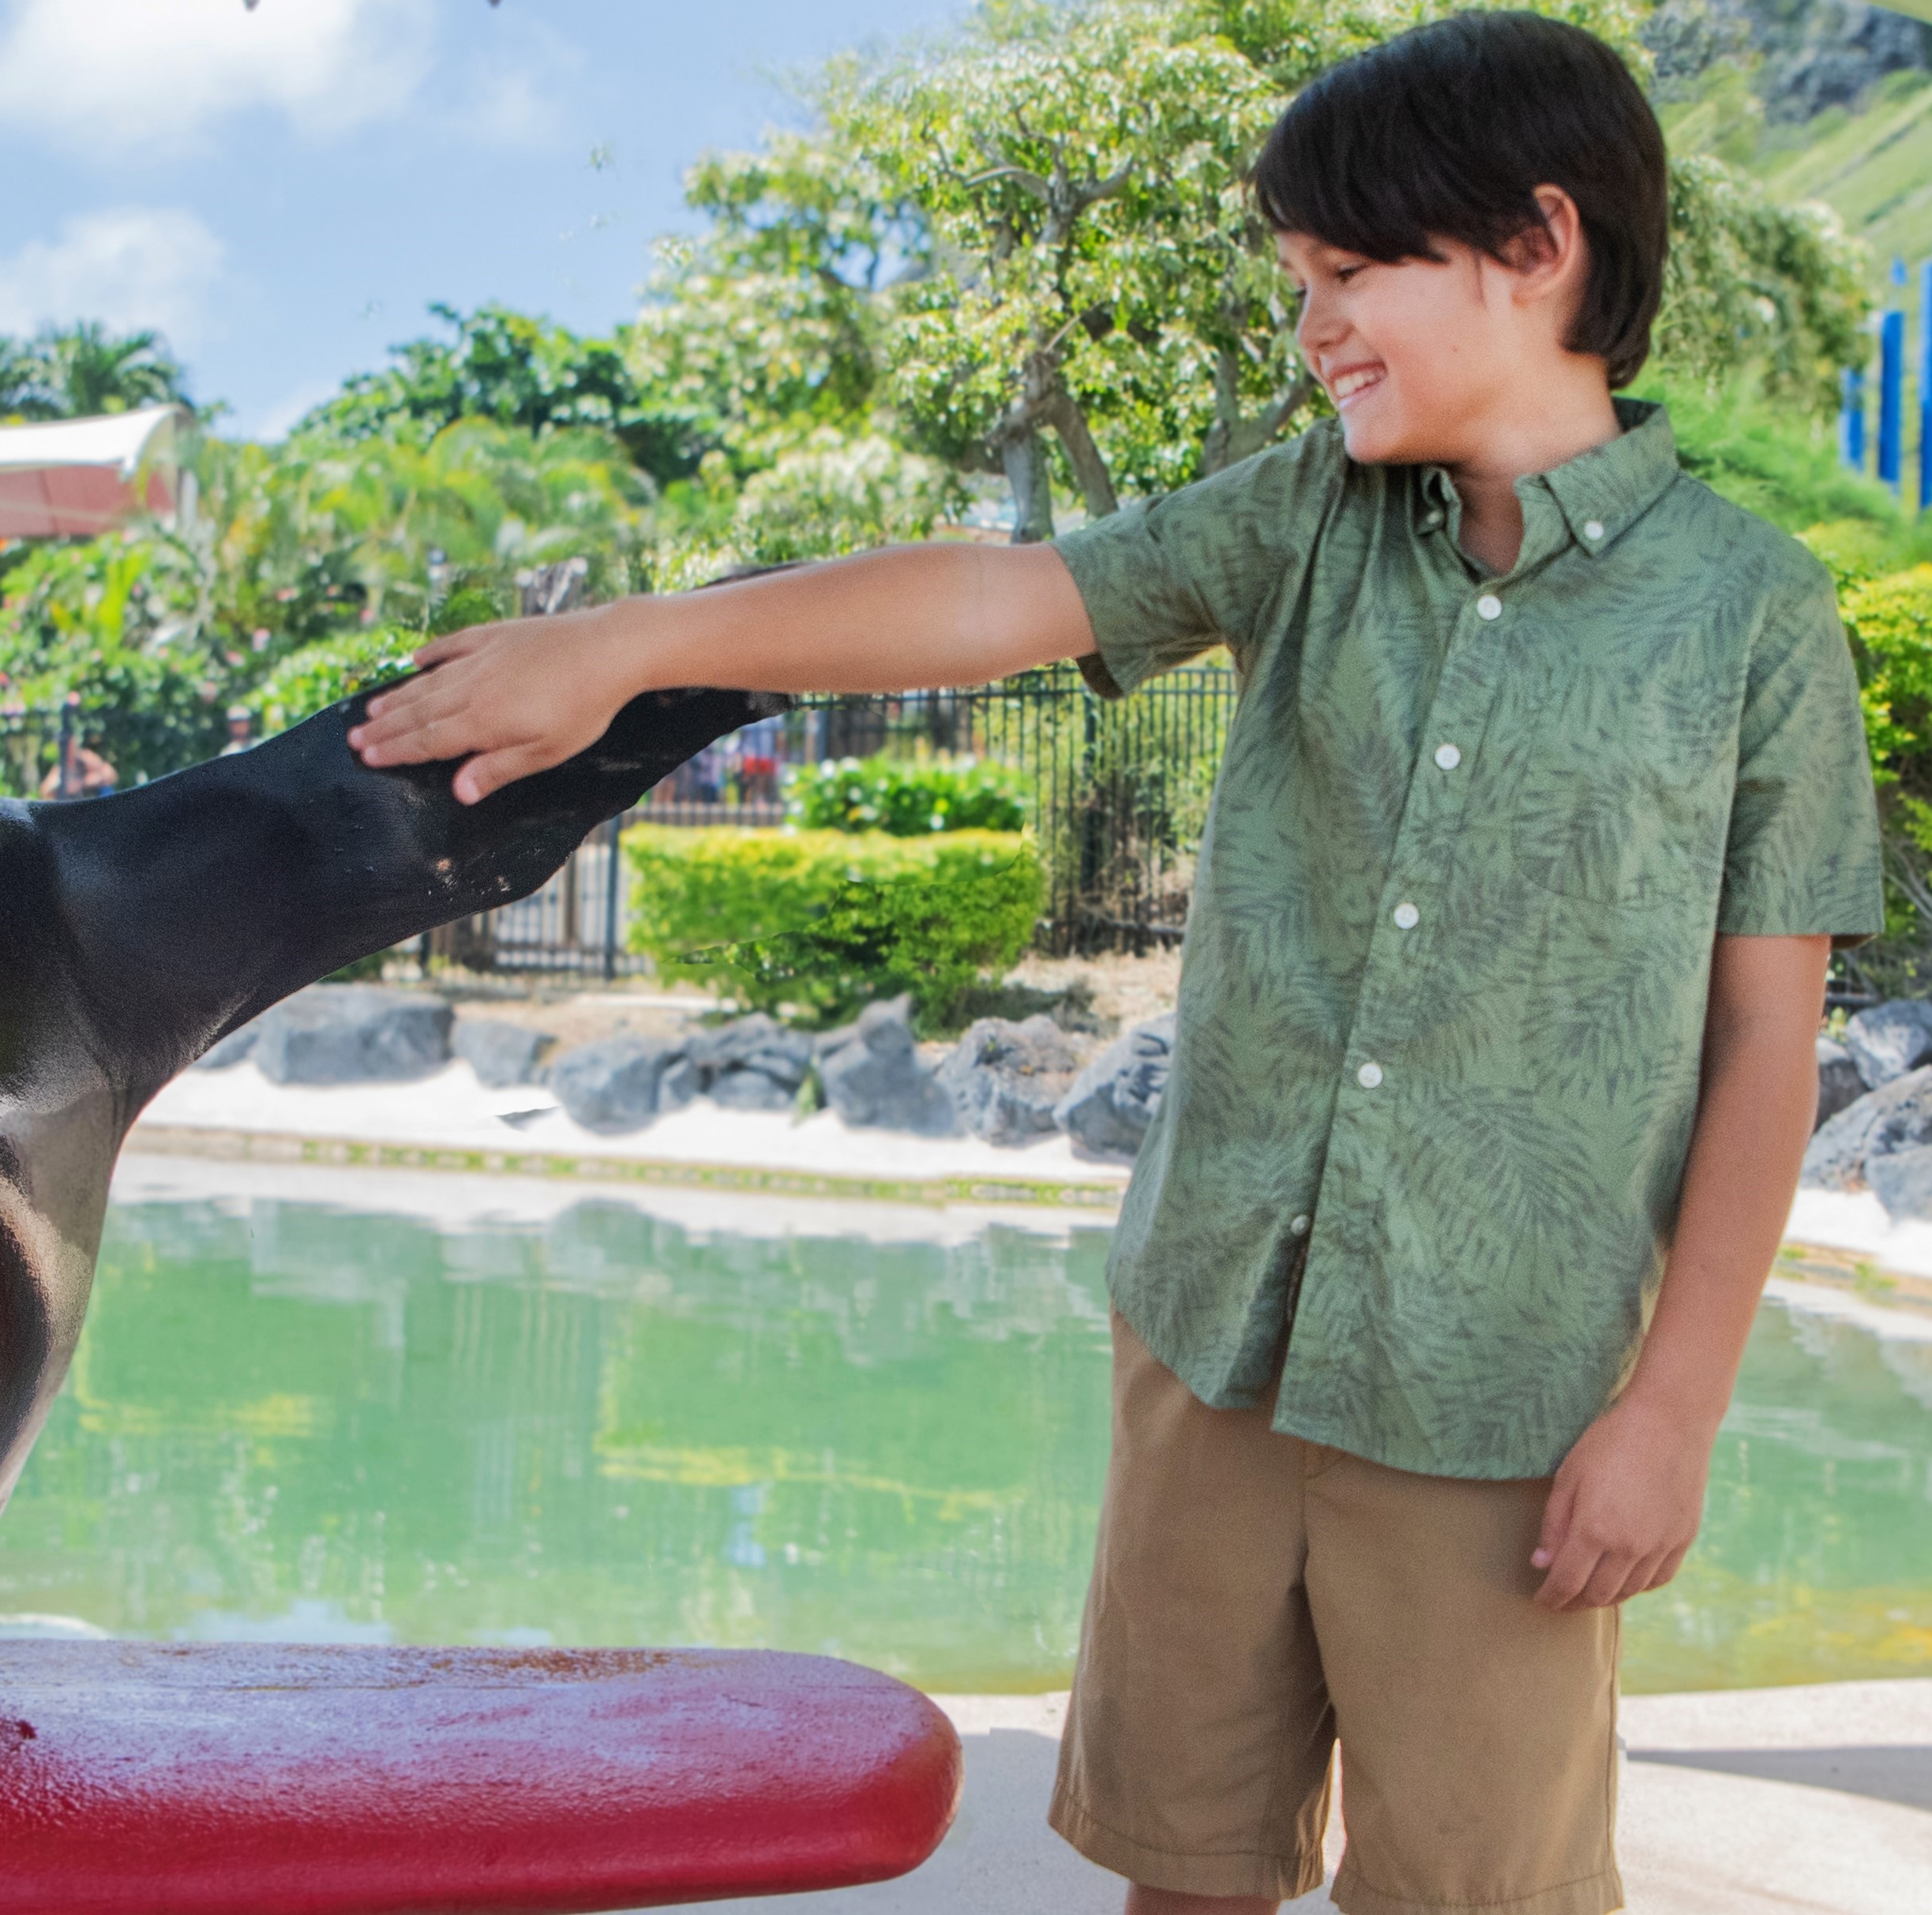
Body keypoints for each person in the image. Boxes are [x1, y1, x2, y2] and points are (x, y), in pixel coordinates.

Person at [349, 17, 1878, 1914]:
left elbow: (1764, 1042)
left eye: (1348, 271)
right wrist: (639, 641)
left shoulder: (1750, 612)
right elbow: (1005, 592)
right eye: (1297, 281)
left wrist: (1671, 1414)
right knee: (1182, 1864)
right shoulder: (1305, 513)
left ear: (1537, 242)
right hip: (1212, 1344)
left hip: (1503, 1404)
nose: (1312, 326)